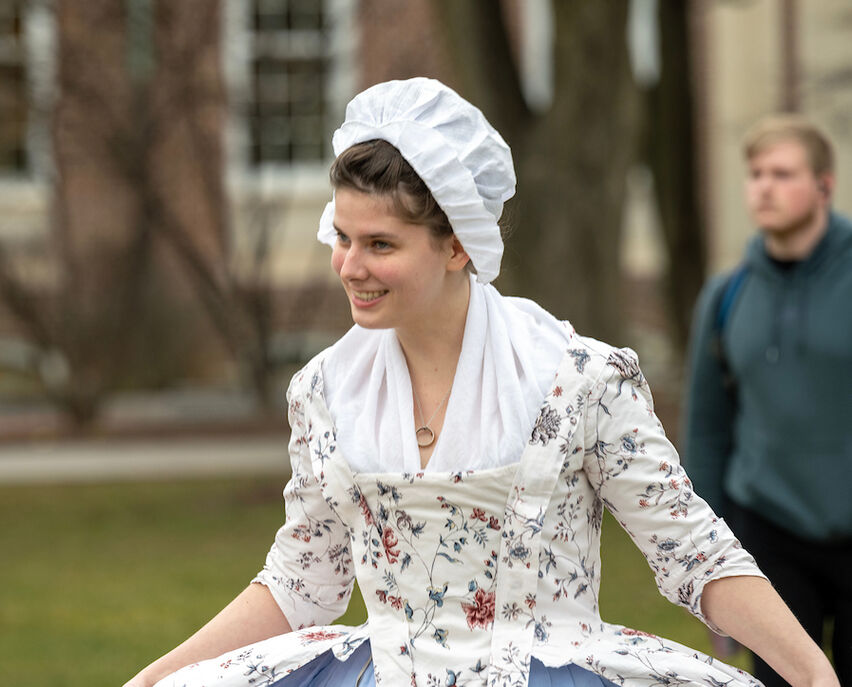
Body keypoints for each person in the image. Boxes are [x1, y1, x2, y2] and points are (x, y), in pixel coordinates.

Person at [125, 78, 837, 687]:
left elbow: (691, 550)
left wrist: (811, 671)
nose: (349, 266)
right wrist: (161, 674)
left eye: (380, 244)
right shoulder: (325, 391)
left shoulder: (577, 378)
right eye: (342, 237)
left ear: (459, 245)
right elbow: (303, 580)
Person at [684, 113, 852, 687]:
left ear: (824, 185)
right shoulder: (727, 297)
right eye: (755, 174)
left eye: (782, 173)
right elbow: (707, 433)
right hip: (769, 535)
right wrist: (703, 566)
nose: (763, 187)